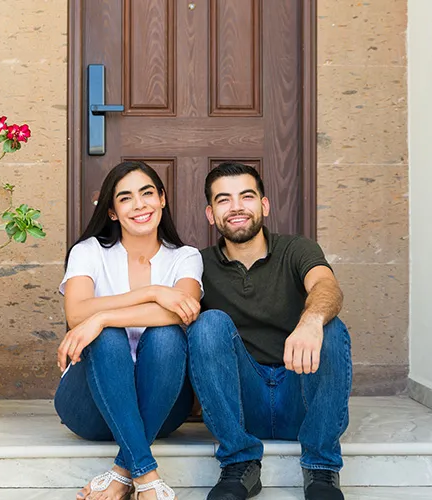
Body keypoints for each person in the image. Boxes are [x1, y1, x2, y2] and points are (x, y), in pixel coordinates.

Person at [187, 163, 352, 500]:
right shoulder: (196, 264)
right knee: (208, 323)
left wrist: (310, 321)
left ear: (264, 205)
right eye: (223, 200)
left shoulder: (296, 249)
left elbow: (326, 286)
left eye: (246, 197)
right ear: (210, 213)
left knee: (330, 325)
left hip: (301, 397)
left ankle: (321, 468)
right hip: (243, 407)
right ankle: (239, 463)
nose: (236, 207)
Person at [54, 161, 203, 500]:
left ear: (162, 200)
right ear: (112, 211)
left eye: (147, 193)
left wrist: (103, 316)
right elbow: (77, 312)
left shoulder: (185, 257)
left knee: (165, 336)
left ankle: (126, 471)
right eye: (126, 198)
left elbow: (185, 312)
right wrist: (153, 293)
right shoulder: (88, 252)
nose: (139, 205)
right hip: (88, 407)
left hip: (162, 407)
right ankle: (147, 477)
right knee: (106, 338)